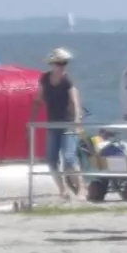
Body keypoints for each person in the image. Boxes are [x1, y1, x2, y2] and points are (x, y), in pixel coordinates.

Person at [40, 48, 85, 201]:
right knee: (51, 159)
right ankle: (63, 189)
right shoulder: (45, 79)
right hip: (53, 123)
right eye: (59, 63)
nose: (62, 66)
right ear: (52, 64)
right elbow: (37, 99)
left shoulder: (67, 81)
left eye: (64, 63)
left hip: (67, 122)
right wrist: (31, 119)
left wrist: (77, 120)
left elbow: (75, 101)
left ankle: (81, 189)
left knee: (69, 157)